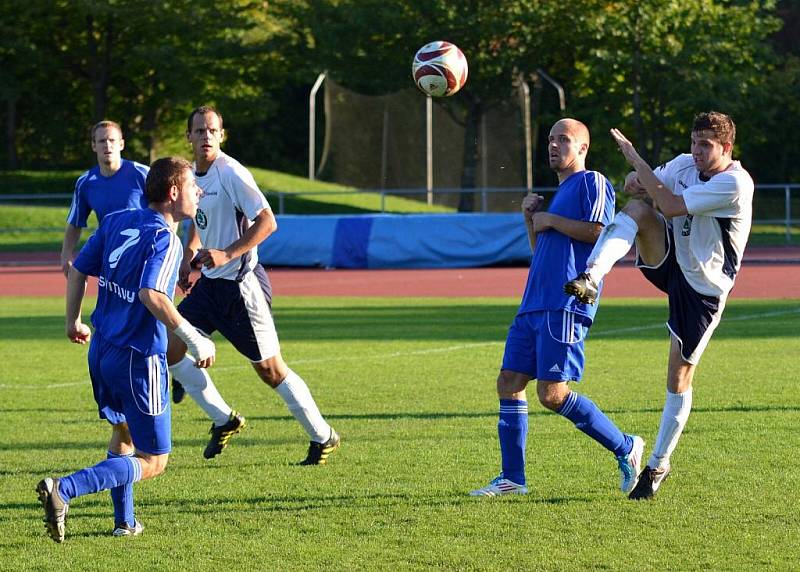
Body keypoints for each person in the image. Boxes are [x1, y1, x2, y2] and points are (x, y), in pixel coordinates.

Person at [564, 111, 754, 500]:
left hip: (703, 289)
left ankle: (658, 464)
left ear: (726, 148)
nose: (696, 152)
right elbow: (641, 190)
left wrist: (637, 162)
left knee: (678, 377)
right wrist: (639, 181)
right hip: (672, 262)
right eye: (694, 142)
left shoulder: (735, 182)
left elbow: (669, 204)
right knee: (636, 213)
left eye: (706, 146)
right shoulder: (685, 164)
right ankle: (591, 278)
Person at [37, 157, 213, 542]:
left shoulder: (117, 219)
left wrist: (73, 321)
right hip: (138, 357)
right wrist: (195, 338)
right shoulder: (166, 238)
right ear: (172, 193)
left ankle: (125, 521)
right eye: (191, 186)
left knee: (123, 433)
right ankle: (64, 489)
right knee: (154, 461)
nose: (198, 192)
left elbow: (79, 269)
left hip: (101, 348)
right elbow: (151, 294)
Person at [470, 118, 643, 497]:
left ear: (582, 148)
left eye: (563, 139)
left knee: (552, 393)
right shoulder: (557, 194)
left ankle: (626, 447)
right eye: (550, 139)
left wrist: (549, 219)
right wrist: (531, 219)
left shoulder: (591, 181)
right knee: (509, 383)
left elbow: (601, 231)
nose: (554, 145)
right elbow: (541, 251)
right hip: (533, 302)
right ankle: (512, 479)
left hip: (565, 302)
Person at [167, 105, 340, 465]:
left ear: (222, 135)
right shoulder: (191, 176)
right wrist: (190, 255)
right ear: (189, 137)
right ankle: (223, 419)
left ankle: (323, 436)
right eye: (199, 131)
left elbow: (267, 222)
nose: (206, 137)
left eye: (212, 131)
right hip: (210, 286)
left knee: (271, 371)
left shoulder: (231, 172)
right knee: (168, 346)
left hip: (243, 288)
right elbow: (200, 218)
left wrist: (227, 254)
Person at [61, 121, 149, 277]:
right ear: (94, 146)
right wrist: (66, 254)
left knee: (144, 298)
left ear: (121, 144)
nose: (107, 145)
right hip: (109, 250)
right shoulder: (85, 182)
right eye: (102, 141)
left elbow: (167, 207)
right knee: (77, 271)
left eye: (112, 140)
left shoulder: (143, 174)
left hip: (142, 249)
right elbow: (75, 222)